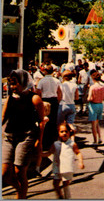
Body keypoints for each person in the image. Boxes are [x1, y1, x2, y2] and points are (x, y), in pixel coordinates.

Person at [2, 69, 45, 199]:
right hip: (9, 137)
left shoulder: (35, 98)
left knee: (19, 172)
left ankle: (21, 196)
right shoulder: (10, 98)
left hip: (26, 137)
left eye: (15, 83)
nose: (12, 87)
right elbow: (3, 117)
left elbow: (41, 121)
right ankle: (21, 191)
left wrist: (39, 141)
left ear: (24, 82)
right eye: (10, 83)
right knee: (4, 174)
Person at [43, 122, 84, 199]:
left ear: (69, 133)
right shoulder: (55, 144)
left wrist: (80, 162)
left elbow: (78, 153)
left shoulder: (72, 144)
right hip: (58, 167)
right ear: (58, 133)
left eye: (66, 131)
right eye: (62, 132)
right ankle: (60, 197)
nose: (64, 133)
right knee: (55, 184)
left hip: (67, 167)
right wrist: (40, 154)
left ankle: (67, 197)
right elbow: (49, 153)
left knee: (65, 184)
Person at [36, 65, 62, 150]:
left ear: (45, 71)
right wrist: (58, 101)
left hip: (45, 100)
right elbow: (59, 92)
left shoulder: (42, 81)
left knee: (44, 120)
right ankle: (52, 140)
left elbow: (38, 92)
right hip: (54, 101)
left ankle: (45, 141)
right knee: (53, 121)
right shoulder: (56, 80)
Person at [88, 71, 104, 145]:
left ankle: (95, 140)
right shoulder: (103, 87)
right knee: (97, 123)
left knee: (93, 124)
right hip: (100, 105)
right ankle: (99, 138)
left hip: (93, 105)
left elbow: (89, 98)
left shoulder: (92, 87)